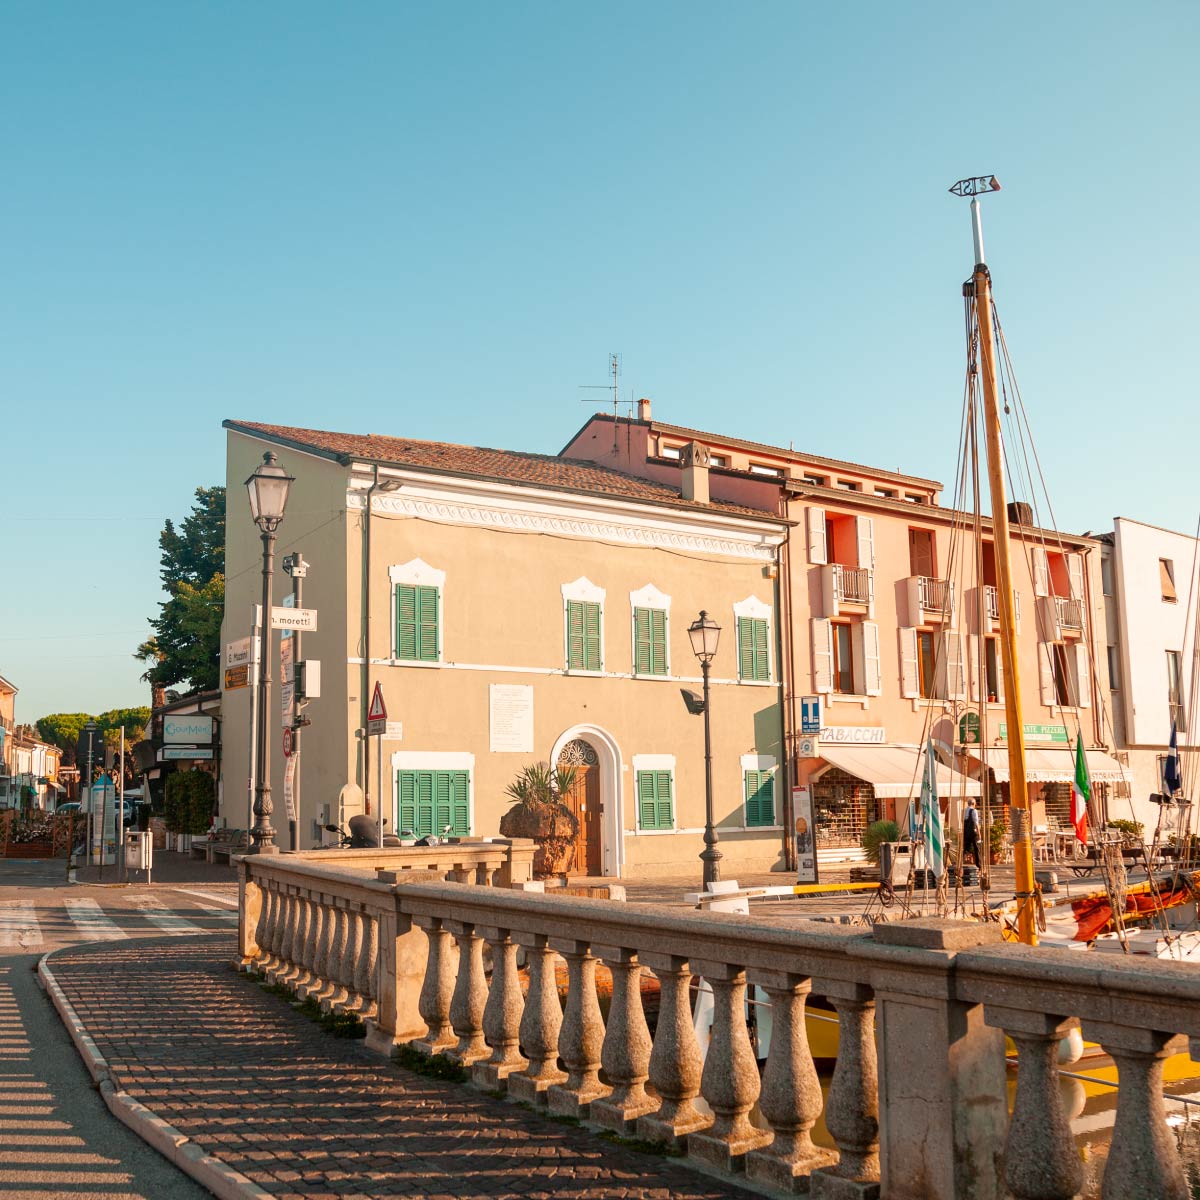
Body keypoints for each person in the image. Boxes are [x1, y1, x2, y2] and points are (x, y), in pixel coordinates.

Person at [962, 798, 982, 867]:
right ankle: (978, 864)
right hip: (973, 832)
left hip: (966, 832)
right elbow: (976, 823)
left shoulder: (964, 811)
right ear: (973, 803)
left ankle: (962, 862)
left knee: (966, 847)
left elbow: (963, 821)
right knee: (976, 848)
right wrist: (979, 834)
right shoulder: (974, 811)